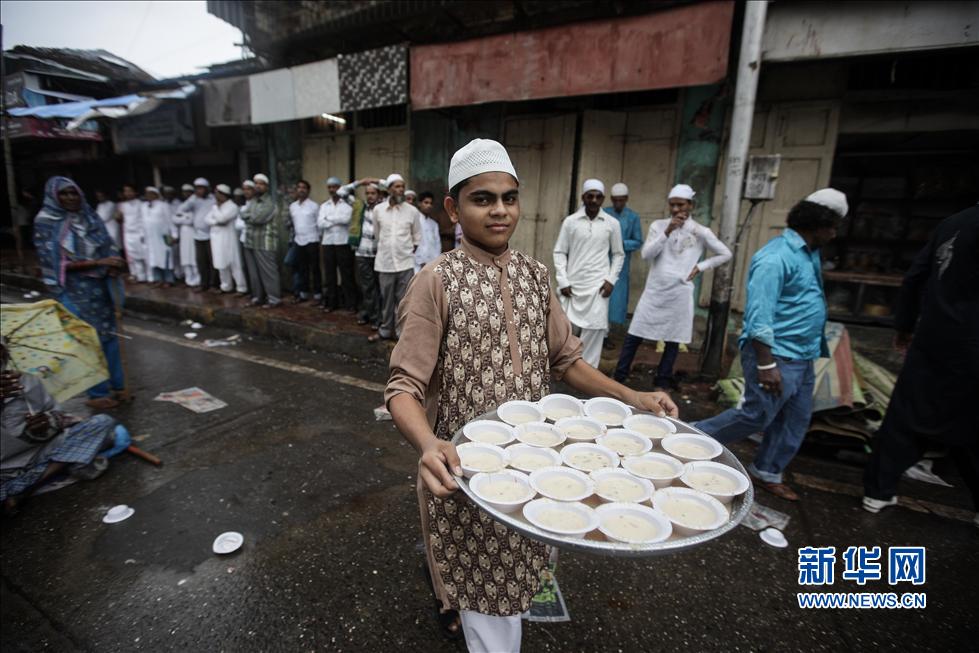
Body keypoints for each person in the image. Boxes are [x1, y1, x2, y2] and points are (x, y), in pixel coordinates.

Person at [385, 138, 678, 652]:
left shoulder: (535, 275)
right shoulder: (434, 282)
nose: (500, 210)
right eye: (482, 199)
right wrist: (429, 445)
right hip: (468, 472)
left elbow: (566, 360)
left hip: (537, 466)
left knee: (521, 569)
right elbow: (403, 388)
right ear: (454, 207)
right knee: (484, 589)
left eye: (509, 197)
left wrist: (631, 396)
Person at [694, 188, 847, 501]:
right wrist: (766, 364)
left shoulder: (809, 252)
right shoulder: (775, 258)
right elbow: (759, 315)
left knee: (796, 418)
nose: (834, 233)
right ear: (816, 224)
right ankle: (690, 436)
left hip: (802, 355)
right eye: (831, 226)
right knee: (756, 415)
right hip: (776, 355)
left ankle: (768, 470)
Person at [863, 205, 979, 522]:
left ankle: (877, 491)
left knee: (906, 415)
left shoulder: (953, 223)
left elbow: (915, 277)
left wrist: (904, 324)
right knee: (970, 424)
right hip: (970, 341)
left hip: (933, 336)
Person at [612, 184, 732, 387]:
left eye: (680, 205)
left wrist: (701, 266)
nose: (676, 209)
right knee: (635, 333)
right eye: (672, 205)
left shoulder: (700, 231)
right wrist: (667, 231)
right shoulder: (659, 226)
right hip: (655, 290)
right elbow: (646, 254)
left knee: (673, 338)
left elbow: (726, 253)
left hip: (680, 292)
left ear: (691, 205)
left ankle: (662, 379)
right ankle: (620, 376)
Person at [32, 177, 127, 410]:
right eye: (64, 194)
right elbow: (56, 264)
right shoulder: (46, 221)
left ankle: (119, 386)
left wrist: (113, 264)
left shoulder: (89, 216)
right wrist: (98, 262)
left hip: (100, 288)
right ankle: (97, 392)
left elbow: (107, 243)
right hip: (73, 290)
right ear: (54, 196)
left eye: (73, 193)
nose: (70, 198)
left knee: (108, 337)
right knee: (85, 340)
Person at [1, 340, 120, 515]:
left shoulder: (27, 382)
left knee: (102, 423)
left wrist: (47, 424)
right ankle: (25, 485)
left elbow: (58, 415)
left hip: (37, 452)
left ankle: (28, 486)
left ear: (6, 354)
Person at [553, 179, 625, 368]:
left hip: (598, 286)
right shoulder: (570, 222)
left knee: (594, 329)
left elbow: (618, 254)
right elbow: (560, 251)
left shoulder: (612, 224)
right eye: (590, 196)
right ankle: (565, 369)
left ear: (603, 199)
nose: (593, 200)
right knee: (566, 330)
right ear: (583, 197)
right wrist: (563, 281)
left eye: (598, 196)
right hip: (572, 285)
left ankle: (589, 373)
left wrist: (611, 280)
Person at [368, 173, 422, 342]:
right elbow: (377, 235)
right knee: (386, 300)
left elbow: (416, 237)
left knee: (404, 301)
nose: (401, 190)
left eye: (402, 186)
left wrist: (404, 251)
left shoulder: (412, 211)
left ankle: (402, 334)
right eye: (397, 187)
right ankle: (385, 331)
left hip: (405, 263)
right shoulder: (378, 210)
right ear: (389, 189)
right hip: (385, 263)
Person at [604, 183, 643, 343]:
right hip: (602, 261)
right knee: (600, 298)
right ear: (611, 199)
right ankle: (602, 335)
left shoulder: (633, 217)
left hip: (621, 266)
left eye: (621, 200)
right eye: (615, 200)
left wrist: (619, 244)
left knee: (615, 301)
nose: (618, 203)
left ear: (626, 199)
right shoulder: (604, 213)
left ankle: (608, 333)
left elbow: (638, 241)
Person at [240, 173, 282, 308]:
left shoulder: (270, 202)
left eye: (261, 183)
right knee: (253, 273)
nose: (258, 186)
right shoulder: (252, 201)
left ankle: (274, 299)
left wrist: (248, 216)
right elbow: (243, 214)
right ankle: (258, 297)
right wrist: (249, 216)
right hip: (250, 241)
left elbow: (258, 219)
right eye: (256, 183)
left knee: (268, 272)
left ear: (267, 186)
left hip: (265, 242)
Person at [317, 176, 357, 313]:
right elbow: (320, 223)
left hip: (343, 243)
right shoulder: (324, 205)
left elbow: (347, 219)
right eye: (330, 187)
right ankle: (331, 303)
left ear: (340, 188)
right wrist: (335, 221)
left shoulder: (347, 203)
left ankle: (351, 304)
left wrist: (329, 220)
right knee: (330, 275)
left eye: (335, 187)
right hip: (328, 243)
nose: (332, 189)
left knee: (346, 274)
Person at [350, 182, 383, 328]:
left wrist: (375, 180)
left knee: (378, 287)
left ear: (378, 194)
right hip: (362, 253)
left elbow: (391, 186)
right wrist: (361, 182)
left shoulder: (384, 208)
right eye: (367, 193)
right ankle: (371, 316)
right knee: (366, 286)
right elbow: (343, 192)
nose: (370, 196)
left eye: (373, 193)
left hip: (378, 254)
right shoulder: (359, 206)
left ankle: (374, 316)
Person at [206, 184, 248, 294]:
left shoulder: (232, 206)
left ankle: (241, 288)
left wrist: (216, 214)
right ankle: (226, 286)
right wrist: (216, 220)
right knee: (221, 264)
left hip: (229, 239)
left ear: (222, 194)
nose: (215, 196)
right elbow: (206, 219)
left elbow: (222, 219)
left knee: (234, 263)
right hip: (216, 240)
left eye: (217, 193)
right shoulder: (215, 206)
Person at [178, 178, 218, 293]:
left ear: (207, 189)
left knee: (212, 261)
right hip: (198, 236)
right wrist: (192, 198)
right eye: (197, 188)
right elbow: (181, 209)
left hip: (211, 235)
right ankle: (203, 283)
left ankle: (213, 284)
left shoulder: (212, 199)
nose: (199, 191)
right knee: (201, 261)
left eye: (201, 188)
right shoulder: (193, 200)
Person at [286, 179, 320, 303]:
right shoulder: (292, 206)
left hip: (312, 240)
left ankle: (317, 294)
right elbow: (292, 224)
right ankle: (303, 293)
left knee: (315, 269)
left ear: (308, 190)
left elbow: (319, 224)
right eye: (299, 187)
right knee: (302, 268)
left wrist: (318, 239)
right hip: (298, 240)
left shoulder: (314, 206)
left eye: (304, 188)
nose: (301, 190)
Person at [141, 187, 176, 287]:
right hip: (150, 237)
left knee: (165, 257)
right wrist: (142, 234)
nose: (149, 196)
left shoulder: (163, 205)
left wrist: (174, 234)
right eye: (147, 194)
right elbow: (141, 222)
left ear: (156, 195)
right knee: (153, 258)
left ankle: (169, 280)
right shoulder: (143, 206)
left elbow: (170, 220)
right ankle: (158, 279)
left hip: (163, 236)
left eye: (151, 194)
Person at [171, 184, 201, 287]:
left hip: (194, 234)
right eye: (184, 192)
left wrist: (182, 219)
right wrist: (185, 219)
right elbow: (174, 219)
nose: (186, 194)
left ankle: (198, 280)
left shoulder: (196, 205)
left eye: (188, 191)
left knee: (194, 258)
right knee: (185, 258)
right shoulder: (181, 206)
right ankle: (189, 280)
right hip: (183, 235)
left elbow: (192, 220)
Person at [117, 183, 146, 283]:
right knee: (131, 255)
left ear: (135, 192)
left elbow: (143, 219)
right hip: (128, 233)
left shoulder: (141, 204)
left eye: (130, 191)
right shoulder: (123, 205)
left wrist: (142, 233)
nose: (127, 193)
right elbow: (119, 219)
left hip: (138, 232)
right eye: (125, 191)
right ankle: (134, 274)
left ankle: (144, 276)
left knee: (141, 254)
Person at [414, 190, 442, 272]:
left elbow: (437, 244)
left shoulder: (434, 224)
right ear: (419, 204)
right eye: (426, 203)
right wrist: (420, 261)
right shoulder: (414, 220)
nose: (429, 205)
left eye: (431, 203)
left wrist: (436, 261)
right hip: (418, 264)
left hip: (433, 263)